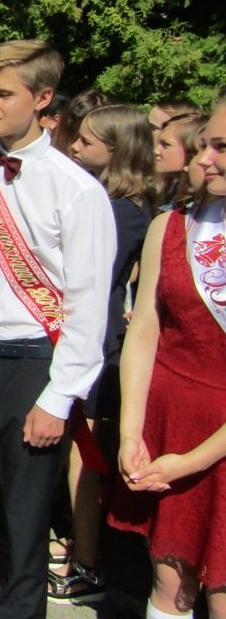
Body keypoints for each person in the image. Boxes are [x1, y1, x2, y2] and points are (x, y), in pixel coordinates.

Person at [0, 40, 116, 619]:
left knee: (25, 516)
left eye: (2, 93)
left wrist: (59, 398)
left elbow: (87, 306)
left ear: (43, 98)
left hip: (33, 362)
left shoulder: (77, 190)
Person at [109, 102, 226, 619]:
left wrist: (195, 460)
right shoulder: (171, 224)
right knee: (169, 581)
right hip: (169, 421)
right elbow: (146, 332)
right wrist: (132, 432)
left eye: (222, 148)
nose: (206, 159)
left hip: (216, 438)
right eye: (203, 145)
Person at [48, 104, 156, 604]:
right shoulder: (98, 198)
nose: (74, 147)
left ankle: (87, 562)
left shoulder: (126, 211)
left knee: (85, 456)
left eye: (87, 142)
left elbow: (93, 275)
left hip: (99, 341)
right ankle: (74, 542)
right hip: (71, 332)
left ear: (117, 151)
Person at [155, 114, 205, 210]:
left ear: (191, 150)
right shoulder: (170, 192)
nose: (156, 151)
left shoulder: (196, 206)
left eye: (165, 145)